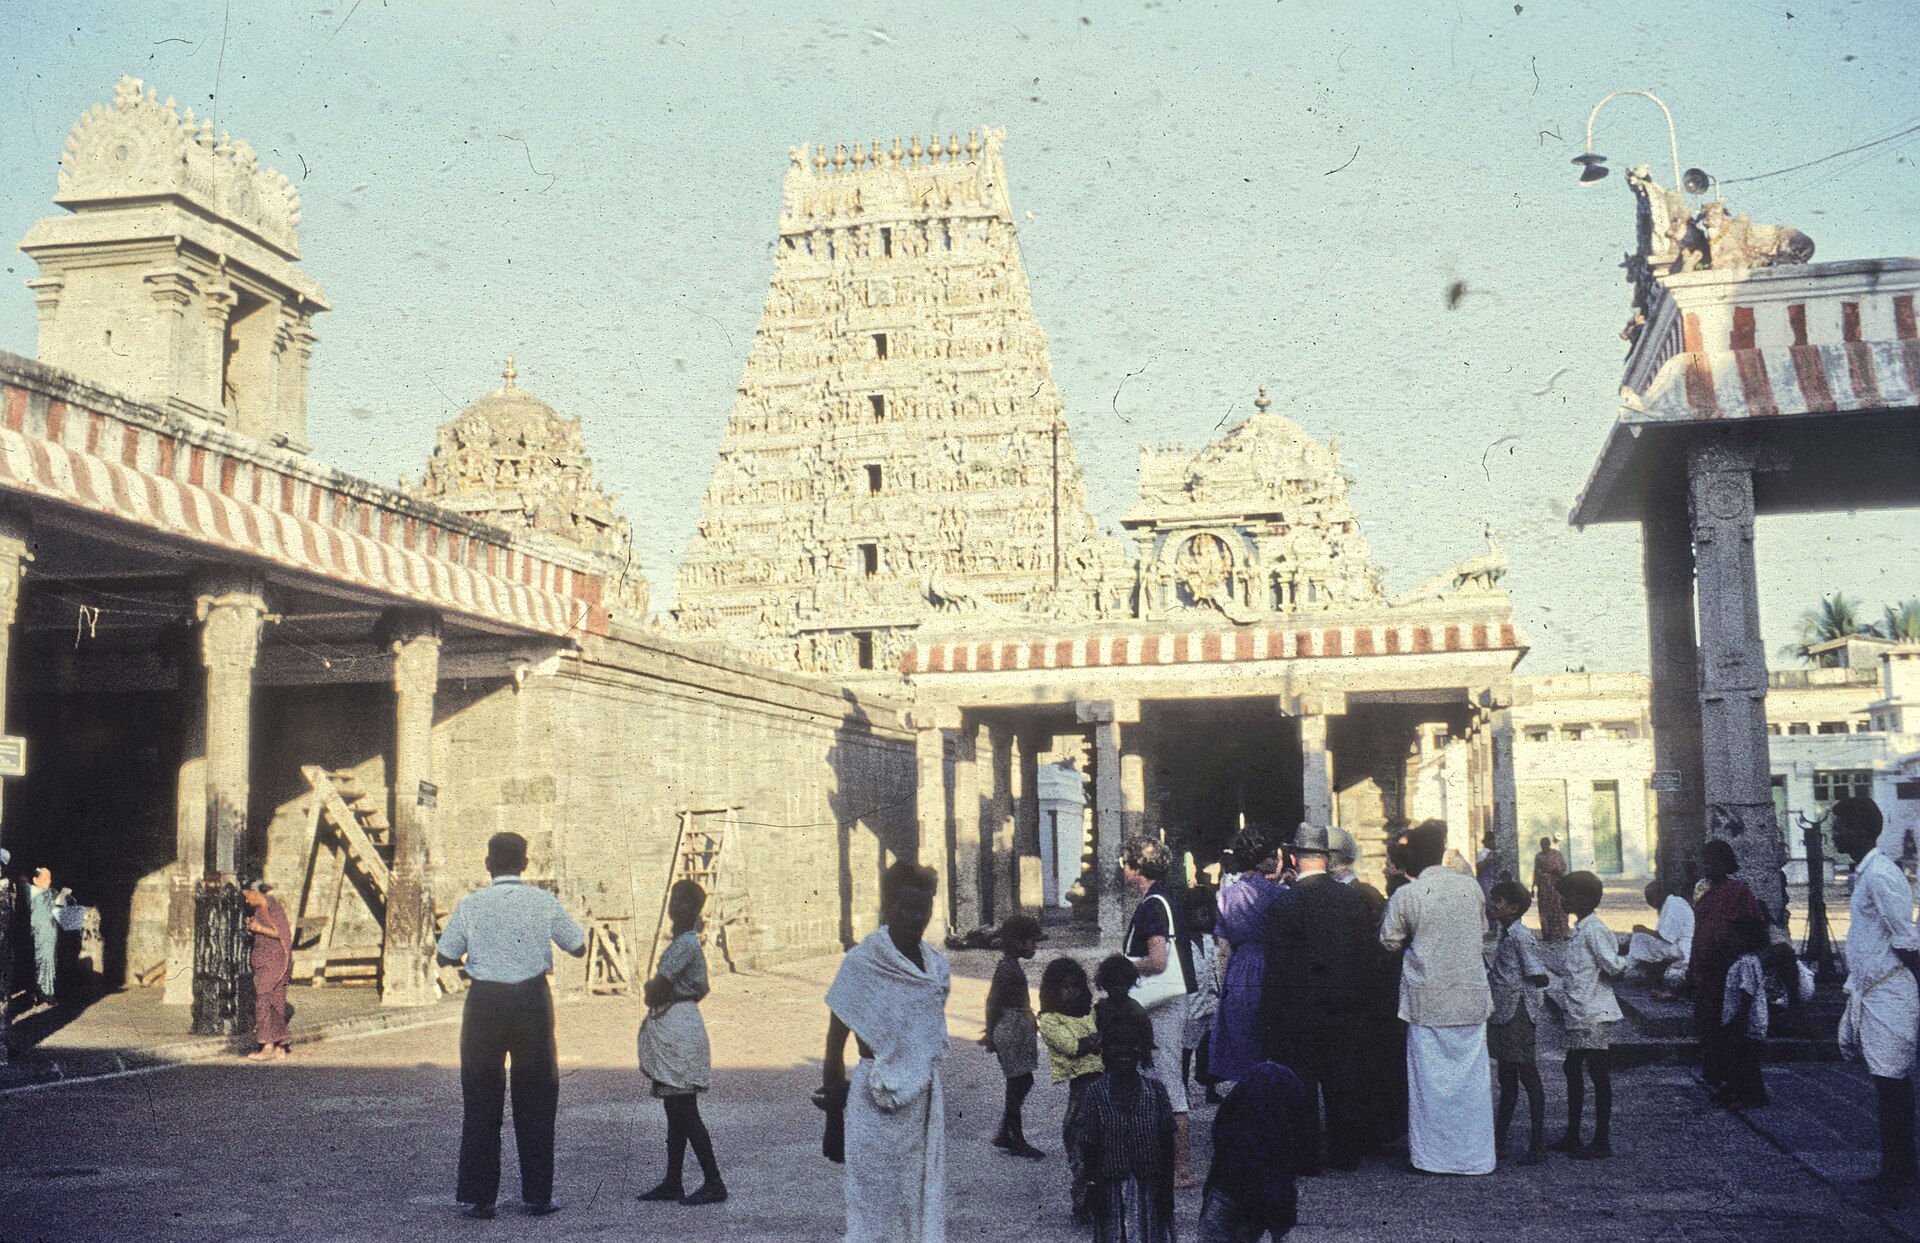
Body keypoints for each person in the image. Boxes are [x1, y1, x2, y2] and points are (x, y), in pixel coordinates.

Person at [434, 831, 587, 1220]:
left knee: (481, 1097)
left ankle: (481, 1197)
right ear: (525, 863)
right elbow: (578, 944)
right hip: (532, 1002)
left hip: (484, 1003)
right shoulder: (543, 901)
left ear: (488, 864)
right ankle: (537, 1195)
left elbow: (445, 955)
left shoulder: (471, 904)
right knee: (537, 1096)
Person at [818, 862, 950, 1243]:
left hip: (923, 1102)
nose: (916, 917)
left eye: (923, 908)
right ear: (889, 906)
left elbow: (925, 1042)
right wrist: (833, 1123)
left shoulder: (936, 968)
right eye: (907, 907)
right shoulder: (861, 963)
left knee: (917, 1199)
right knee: (872, 1205)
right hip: (872, 1102)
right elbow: (834, 1043)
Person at [1379, 820, 1495, 1176]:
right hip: (1469, 996)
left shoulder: (1408, 895)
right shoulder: (1470, 887)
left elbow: (1389, 940)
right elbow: (1483, 930)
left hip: (1427, 1000)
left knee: (1429, 1082)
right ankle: (1475, 1157)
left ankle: (1433, 1157)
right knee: (1472, 1083)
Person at [1259, 823, 1375, 1173]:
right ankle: (1345, 1153)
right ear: (1327, 859)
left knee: (1302, 1085)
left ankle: (1306, 1156)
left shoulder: (1285, 903)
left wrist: (1269, 1014)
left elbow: (1276, 967)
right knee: (1343, 1080)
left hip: (1299, 1011)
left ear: (1294, 857)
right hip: (1345, 1006)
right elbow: (1366, 957)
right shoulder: (1354, 900)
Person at [1833, 796, 1920, 1205]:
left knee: (1892, 1084)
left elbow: (1906, 939)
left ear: (1861, 830)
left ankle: (1901, 1172)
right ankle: (1897, 1167)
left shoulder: (1881, 874)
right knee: (1887, 1084)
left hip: (1891, 991)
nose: (1834, 833)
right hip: (1871, 990)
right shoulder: (1866, 873)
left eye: (1840, 825)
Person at [636, 879, 726, 1206]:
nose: (675, 907)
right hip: (676, 1023)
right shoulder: (682, 943)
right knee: (675, 1110)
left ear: (693, 909)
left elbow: (655, 991)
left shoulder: (686, 945)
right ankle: (673, 1181)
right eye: (674, 900)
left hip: (679, 1027)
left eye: (683, 902)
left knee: (685, 1110)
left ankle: (714, 1181)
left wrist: (652, 989)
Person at [1118, 835, 1196, 1187]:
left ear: (1136, 868)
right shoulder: (1166, 897)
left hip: (1161, 1001)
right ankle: (1166, 1159)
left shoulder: (1152, 905)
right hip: (1172, 998)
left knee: (1166, 1079)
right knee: (1164, 1076)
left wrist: (1123, 967)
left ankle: (1180, 1166)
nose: (1123, 869)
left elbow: (1158, 959)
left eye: (1126, 863)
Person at [1072, 997, 1176, 1243]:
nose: (1125, 1052)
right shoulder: (1095, 1093)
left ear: (1143, 1049)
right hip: (1110, 1191)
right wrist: (1093, 1187)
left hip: (1150, 1190)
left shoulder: (1156, 1091)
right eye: (1117, 1044)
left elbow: (1167, 1144)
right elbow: (1088, 1146)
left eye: (1133, 1045)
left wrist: (1166, 1191)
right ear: (1105, 1049)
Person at [1549, 870, 1626, 1159]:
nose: (1562, 900)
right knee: (1573, 1070)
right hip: (1580, 1010)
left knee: (1596, 1073)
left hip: (1593, 1011)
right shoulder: (1582, 928)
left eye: (1567, 895)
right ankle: (1573, 1134)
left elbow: (1613, 967)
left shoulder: (1594, 930)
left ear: (1583, 898)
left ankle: (1601, 1140)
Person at [1197, 1060, 1312, 1243]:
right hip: (1254, 1206)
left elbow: (1219, 1145)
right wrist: (1280, 1229)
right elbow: (1281, 1188)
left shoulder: (1233, 1123)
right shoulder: (1278, 1140)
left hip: (1223, 1195)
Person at [1688, 839, 1768, 1098]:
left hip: (1730, 969)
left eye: (1715, 861)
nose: (1709, 866)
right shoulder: (1703, 893)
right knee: (1709, 1026)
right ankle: (1722, 1081)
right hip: (1706, 970)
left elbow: (1756, 930)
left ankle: (1744, 1087)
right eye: (1706, 861)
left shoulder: (1738, 892)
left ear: (1727, 863)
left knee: (1733, 1030)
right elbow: (1699, 931)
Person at [1210, 827, 1284, 1087]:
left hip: (1239, 971)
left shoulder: (1225, 896)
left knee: (1243, 1040)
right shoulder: (1280, 894)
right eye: (1273, 854)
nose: (1277, 860)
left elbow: (1224, 950)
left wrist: (1223, 987)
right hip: (1273, 967)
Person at [1485, 881, 1548, 1166]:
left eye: (1498, 901)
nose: (1493, 906)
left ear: (1513, 907)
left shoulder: (1521, 936)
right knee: (1507, 1078)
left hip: (1517, 1012)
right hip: (1505, 1012)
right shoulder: (1507, 934)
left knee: (1526, 1075)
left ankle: (1537, 1144)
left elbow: (1538, 975)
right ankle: (1499, 1140)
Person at [1038, 956, 1104, 1223]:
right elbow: (1074, 1047)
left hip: (1101, 1084)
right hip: (1081, 1086)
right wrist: (1096, 1039)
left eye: (1076, 986)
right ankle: (1081, 1202)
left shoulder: (1091, 1013)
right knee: (1078, 1146)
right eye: (1064, 987)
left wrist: (1095, 1040)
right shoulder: (1050, 1020)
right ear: (1052, 991)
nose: (1071, 992)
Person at [983, 914, 1045, 1159]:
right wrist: (991, 1033)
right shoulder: (1007, 969)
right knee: (1019, 1081)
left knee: (1020, 1080)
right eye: (1031, 942)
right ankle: (1014, 1137)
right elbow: (993, 1002)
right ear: (1019, 943)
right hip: (1011, 1026)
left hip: (1016, 1024)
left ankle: (1006, 1132)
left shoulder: (1010, 966)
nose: (1034, 947)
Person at [1716, 917, 1771, 1111]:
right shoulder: (1743, 961)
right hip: (1739, 1017)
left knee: (1746, 1060)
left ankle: (1753, 1096)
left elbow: (1747, 993)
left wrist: (1739, 1020)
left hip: (1747, 1021)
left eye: (1734, 937)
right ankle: (1736, 1090)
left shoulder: (1747, 962)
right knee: (1738, 1058)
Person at [242, 882, 293, 1061]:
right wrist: (252, 929)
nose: (247, 902)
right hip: (264, 960)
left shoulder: (274, 908)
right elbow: (264, 934)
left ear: (255, 893)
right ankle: (281, 1044)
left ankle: (267, 1045)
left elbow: (282, 934)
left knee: (264, 1000)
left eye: (247, 897)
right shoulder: (258, 911)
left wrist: (258, 928)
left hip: (276, 961)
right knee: (273, 1001)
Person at [1183, 890, 1222, 1107]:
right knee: (1186, 1049)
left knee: (1209, 1047)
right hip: (1191, 1003)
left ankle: (1210, 1088)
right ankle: (1183, 1090)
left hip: (1210, 1000)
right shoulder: (1182, 944)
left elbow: (1213, 969)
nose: (1203, 914)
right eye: (1198, 911)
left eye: (1205, 911)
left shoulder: (1208, 940)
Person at [1626, 880, 1694, 994]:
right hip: (1675, 946)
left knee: (1639, 937)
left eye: (1649, 897)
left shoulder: (1675, 904)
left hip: (1681, 949)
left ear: (1658, 894)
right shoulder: (1668, 904)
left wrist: (1643, 930)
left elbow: (1666, 937)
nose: (1648, 902)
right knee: (1638, 938)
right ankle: (1638, 969)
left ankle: (1627, 967)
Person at [26, 867, 58, 1007]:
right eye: (45, 879)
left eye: (50, 878)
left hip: (49, 932)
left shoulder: (51, 893)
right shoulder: (27, 892)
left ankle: (47, 993)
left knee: (49, 960)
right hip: (34, 931)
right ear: (35, 880)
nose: (49, 882)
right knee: (33, 961)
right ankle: (34, 992)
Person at [1531, 838, 1568, 942]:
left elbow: (1563, 868)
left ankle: (1562, 932)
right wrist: (1533, 887)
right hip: (1544, 886)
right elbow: (1536, 871)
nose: (1544, 847)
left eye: (1545, 845)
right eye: (1542, 845)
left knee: (1559, 908)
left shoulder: (1557, 854)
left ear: (1548, 844)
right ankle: (1547, 934)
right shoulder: (1539, 856)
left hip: (1556, 885)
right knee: (1545, 909)